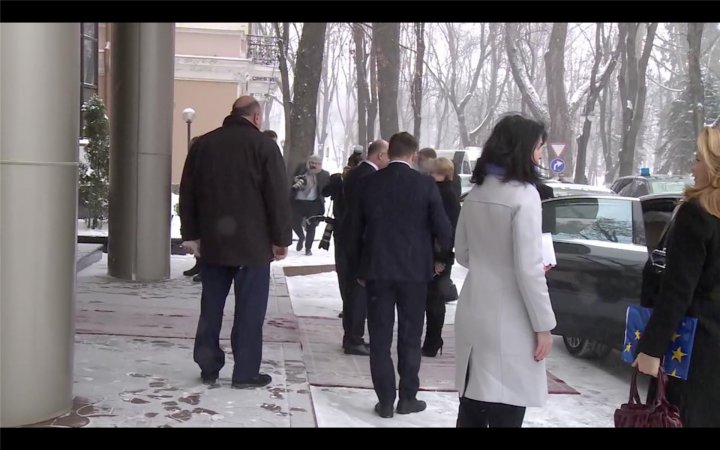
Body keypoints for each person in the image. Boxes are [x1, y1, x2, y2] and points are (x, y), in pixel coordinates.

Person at [179, 96, 292, 389]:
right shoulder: (265, 147)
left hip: (214, 243)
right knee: (250, 311)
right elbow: (277, 197)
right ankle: (245, 372)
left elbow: (188, 193)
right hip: (253, 247)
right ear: (256, 117)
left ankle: (208, 365)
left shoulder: (203, 145)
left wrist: (192, 234)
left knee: (211, 306)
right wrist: (281, 239)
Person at [454, 114, 556, 428]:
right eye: (539, 147)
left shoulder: (477, 192)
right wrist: (544, 325)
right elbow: (528, 270)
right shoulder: (524, 195)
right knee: (506, 408)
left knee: (473, 405)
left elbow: (463, 253)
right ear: (523, 148)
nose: (541, 154)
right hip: (511, 319)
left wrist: (491, 262)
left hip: (473, 308)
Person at [349, 132, 452, 418]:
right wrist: (441, 259)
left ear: (390, 152)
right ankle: (408, 397)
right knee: (410, 335)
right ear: (413, 155)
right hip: (415, 272)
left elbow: (354, 230)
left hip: (377, 271)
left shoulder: (370, 183)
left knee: (379, 337)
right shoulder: (424, 185)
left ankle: (384, 399)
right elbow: (443, 228)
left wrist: (359, 268)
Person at [634, 125, 720, 427]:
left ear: (714, 165)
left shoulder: (696, 214)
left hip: (693, 348)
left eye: (699, 159)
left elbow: (677, 292)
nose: (693, 167)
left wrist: (650, 348)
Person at [341, 140, 389, 356]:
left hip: (351, 239)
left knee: (354, 292)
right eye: (388, 155)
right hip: (359, 241)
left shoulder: (357, 173)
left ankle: (352, 336)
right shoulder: (368, 176)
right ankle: (354, 338)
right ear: (380, 156)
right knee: (358, 292)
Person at [422, 157, 461, 358]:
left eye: (433, 171)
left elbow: (447, 229)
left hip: (438, 254)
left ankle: (433, 340)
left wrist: (441, 258)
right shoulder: (446, 192)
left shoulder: (445, 194)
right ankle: (432, 340)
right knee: (431, 299)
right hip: (435, 253)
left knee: (434, 300)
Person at [322, 151, 363, 319]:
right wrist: (338, 180)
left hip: (357, 231)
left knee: (353, 272)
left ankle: (356, 306)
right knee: (343, 270)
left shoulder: (366, 180)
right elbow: (325, 192)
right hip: (340, 228)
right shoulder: (339, 180)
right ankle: (348, 305)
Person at [291, 155, 330, 256]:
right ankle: (301, 237)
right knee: (293, 222)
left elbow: (327, 189)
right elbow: (291, 179)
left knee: (311, 226)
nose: (314, 165)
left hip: (314, 203)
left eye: (317, 164)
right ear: (308, 163)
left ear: (321, 165)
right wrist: (295, 180)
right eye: (312, 163)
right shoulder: (301, 169)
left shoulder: (325, 174)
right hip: (299, 201)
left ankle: (308, 248)